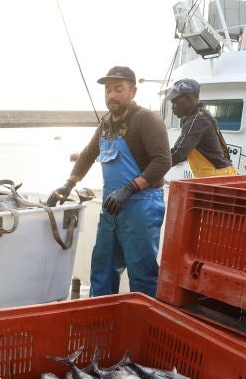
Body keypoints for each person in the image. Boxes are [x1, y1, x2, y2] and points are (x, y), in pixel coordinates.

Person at [47, 66, 171, 297]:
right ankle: (100, 323)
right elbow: (87, 155)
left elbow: (163, 161)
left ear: (132, 91)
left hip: (141, 208)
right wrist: (68, 184)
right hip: (112, 208)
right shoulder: (106, 124)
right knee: (102, 268)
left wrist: (129, 189)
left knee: (141, 273)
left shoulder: (146, 119)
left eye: (118, 89)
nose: (111, 95)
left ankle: (143, 326)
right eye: (108, 90)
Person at [167, 78, 237, 178]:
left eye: (175, 102)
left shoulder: (197, 120)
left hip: (217, 178)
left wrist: (148, 170)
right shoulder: (201, 115)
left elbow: (178, 153)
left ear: (188, 98)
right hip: (219, 174)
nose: (172, 107)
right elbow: (183, 152)